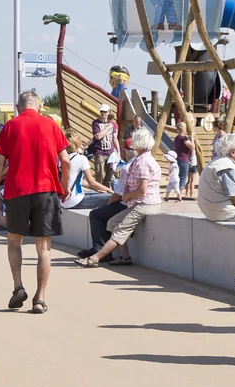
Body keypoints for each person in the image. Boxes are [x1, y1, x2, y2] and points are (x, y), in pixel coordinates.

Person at [0, 90, 70, 314]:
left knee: (14, 240)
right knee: (44, 248)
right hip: (46, 190)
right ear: (39, 107)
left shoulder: (11, 126)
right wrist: (64, 186)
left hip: (17, 191)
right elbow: (65, 160)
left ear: (17, 107)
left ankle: (18, 287)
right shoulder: (51, 125)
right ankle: (40, 299)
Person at [75, 128, 163, 268]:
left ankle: (95, 258)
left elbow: (142, 189)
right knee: (112, 223)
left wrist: (127, 196)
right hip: (141, 203)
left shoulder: (142, 162)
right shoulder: (143, 159)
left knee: (119, 230)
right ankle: (125, 257)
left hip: (145, 204)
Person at [61, 131, 114, 211]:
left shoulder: (60, 158)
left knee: (99, 193)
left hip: (63, 201)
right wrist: (109, 190)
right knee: (112, 197)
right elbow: (91, 182)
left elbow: (80, 181)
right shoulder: (81, 159)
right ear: (78, 143)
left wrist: (97, 189)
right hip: (75, 200)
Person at [198, 133, 235, 222]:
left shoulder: (216, 162)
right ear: (233, 152)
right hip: (224, 212)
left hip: (210, 211)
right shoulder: (227, 167)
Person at [91, 104, 119, 186]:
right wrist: (108, 127)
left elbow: (115, 138)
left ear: (108, 112)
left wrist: (118, 152)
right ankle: (98, 193)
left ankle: (106, 195)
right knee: (100, 175)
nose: (103, 113)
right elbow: (98, 136)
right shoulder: (96, 123)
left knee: (109, 177)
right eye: (101, 111)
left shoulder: (112, 124)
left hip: (110, 153)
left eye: (105, 112)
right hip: (99, 152)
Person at [173, 122, 196, 200]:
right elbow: (192, 147)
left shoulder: (176, 138)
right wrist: (192, 138)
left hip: (177, 159)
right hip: (184, 159)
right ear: (183, 129)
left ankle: (178, 194)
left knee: (178, 177)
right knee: (183, 178)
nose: (186, 129)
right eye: (185, 128)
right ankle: (180, 195)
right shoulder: (183, 138)